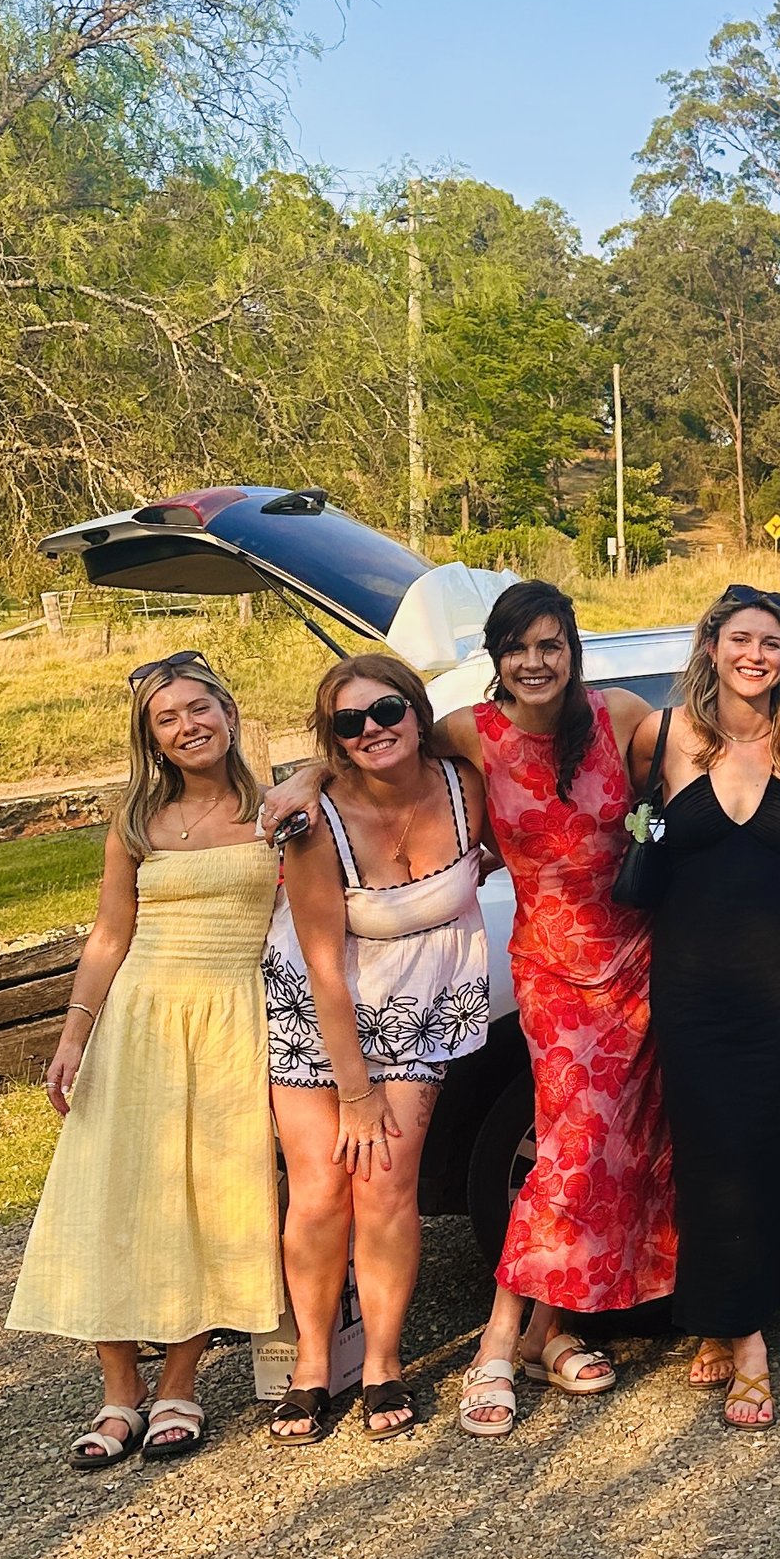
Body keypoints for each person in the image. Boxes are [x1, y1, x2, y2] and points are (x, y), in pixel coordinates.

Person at [263, 580, 669, 1437]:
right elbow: (367, 752)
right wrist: (303, 773)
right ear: (495, 656)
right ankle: (493, 1342)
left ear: (572, 648)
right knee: (560, 1146)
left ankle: (549, 1335)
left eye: (550, 644)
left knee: (608, 1150)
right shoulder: (468, 735)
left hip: (631, 955)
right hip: (549, 967)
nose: (535, 661)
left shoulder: (624, 714)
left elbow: (717, 747)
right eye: (517, 646)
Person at [9, 651, 284, 1466]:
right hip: (137, 1018)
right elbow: (109, 934)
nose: (187, 725)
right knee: (111, 1192)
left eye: (199, 708)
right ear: (153, 738)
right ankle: (118, 1390)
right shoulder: (137, 820)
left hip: (232, 1016)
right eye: (167, 718)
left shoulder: (280, 810)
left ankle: (182, 1380)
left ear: (229, 713)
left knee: (212, 1195)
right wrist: (73, 1034)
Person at [630, 585, 780, 1430]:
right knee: (700, 1148)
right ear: (714, 646)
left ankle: (746, 1337)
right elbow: (579, 795)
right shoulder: (663, 732)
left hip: (779, 977)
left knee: (759, 1149)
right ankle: (718, 1317)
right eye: (742, 640)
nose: (756, 655)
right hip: (689, 972)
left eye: (772, 643)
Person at [262, 652, 491, 1444]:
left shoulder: (467, 782)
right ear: (333, 739)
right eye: (349, 722)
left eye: (387, 711)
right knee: (321, 1186)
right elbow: (325, 964)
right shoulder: (313, 820)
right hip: (317, 1002)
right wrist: (354, 1090)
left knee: (388, 1186)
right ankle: (312, 1365)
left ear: (418, 711)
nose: (373, 730)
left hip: (419, 1001)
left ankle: (385, 1363)